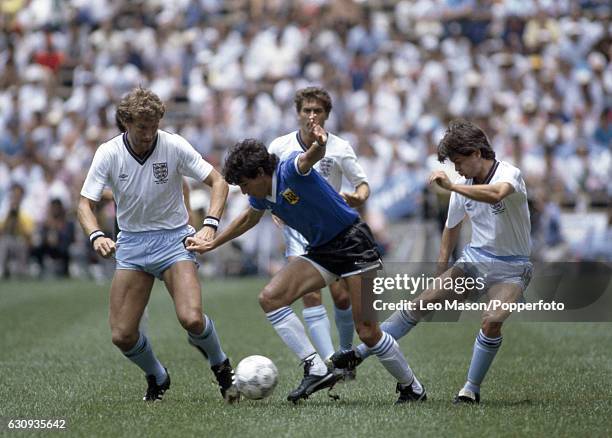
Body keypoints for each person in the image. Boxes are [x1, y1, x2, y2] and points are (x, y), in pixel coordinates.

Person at [187, 133, 426, 405]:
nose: (243, 191)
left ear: (262, 172)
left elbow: (309, 157)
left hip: (354, 245)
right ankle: (315, 367)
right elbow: (248, 219)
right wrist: (214, 241)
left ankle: (413, 388)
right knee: (270, 297)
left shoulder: (289, 169)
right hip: (322, 251)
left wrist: (319, 144)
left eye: (244, 184)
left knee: (369, 332)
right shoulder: (263, 194)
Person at [330, 119, 533, 404]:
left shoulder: (510, 174)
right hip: (475, 260)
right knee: (418, 306)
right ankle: (357, 355)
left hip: (513, 267)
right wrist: (440, 272)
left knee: (491, 321)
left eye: (459, 162)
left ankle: (470, 389)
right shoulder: (461, 186)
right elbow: (450, 231)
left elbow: (497, 193)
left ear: (477, 153)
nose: (457, 169)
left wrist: (453, 187)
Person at [77, 87, 239, 403]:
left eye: (154, 126)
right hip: (133, 245)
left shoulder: (173, 144)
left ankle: (220, 364)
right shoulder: (108, 153)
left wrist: (210, 224)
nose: (150, 134)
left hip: (174, 240)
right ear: (126, 122)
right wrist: (97, 235)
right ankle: (158, 375)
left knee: (191, 318)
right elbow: (85, 204)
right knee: (122, 335)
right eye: (142, 127)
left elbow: (219, 182)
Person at [267, 87, 369, 374]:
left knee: (343, 298)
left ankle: (346, 353)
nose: (312, 115)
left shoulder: (339, 148)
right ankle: (329, 363)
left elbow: (362, 184)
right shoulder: (279, 146)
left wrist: (359, 196)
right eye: (306, 110)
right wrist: (273, 210)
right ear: (297, 114)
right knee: (310, 294)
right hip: (298, 229)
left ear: (326, 115)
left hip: (332, 229)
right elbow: (265, 183)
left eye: (318, 111)